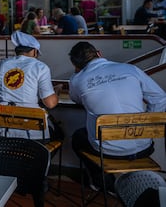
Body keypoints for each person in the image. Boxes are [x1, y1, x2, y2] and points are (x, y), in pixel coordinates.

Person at [68, 42, 166, 192]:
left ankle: (103, 183)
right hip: (144, 147)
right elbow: (160, 98)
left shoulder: (77, 80)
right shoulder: (131, 69)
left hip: (107, 151)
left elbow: (76, 99)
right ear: (99, 53)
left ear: (77, 66)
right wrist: (147, 126)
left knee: (77, 137)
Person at [0, 31, 62, 141]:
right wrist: (56, 93)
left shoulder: (3, 64)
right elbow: (50, 103)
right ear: (34, 51)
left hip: (3, 133)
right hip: (32, 135)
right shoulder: (40, 67)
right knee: (59, 135)